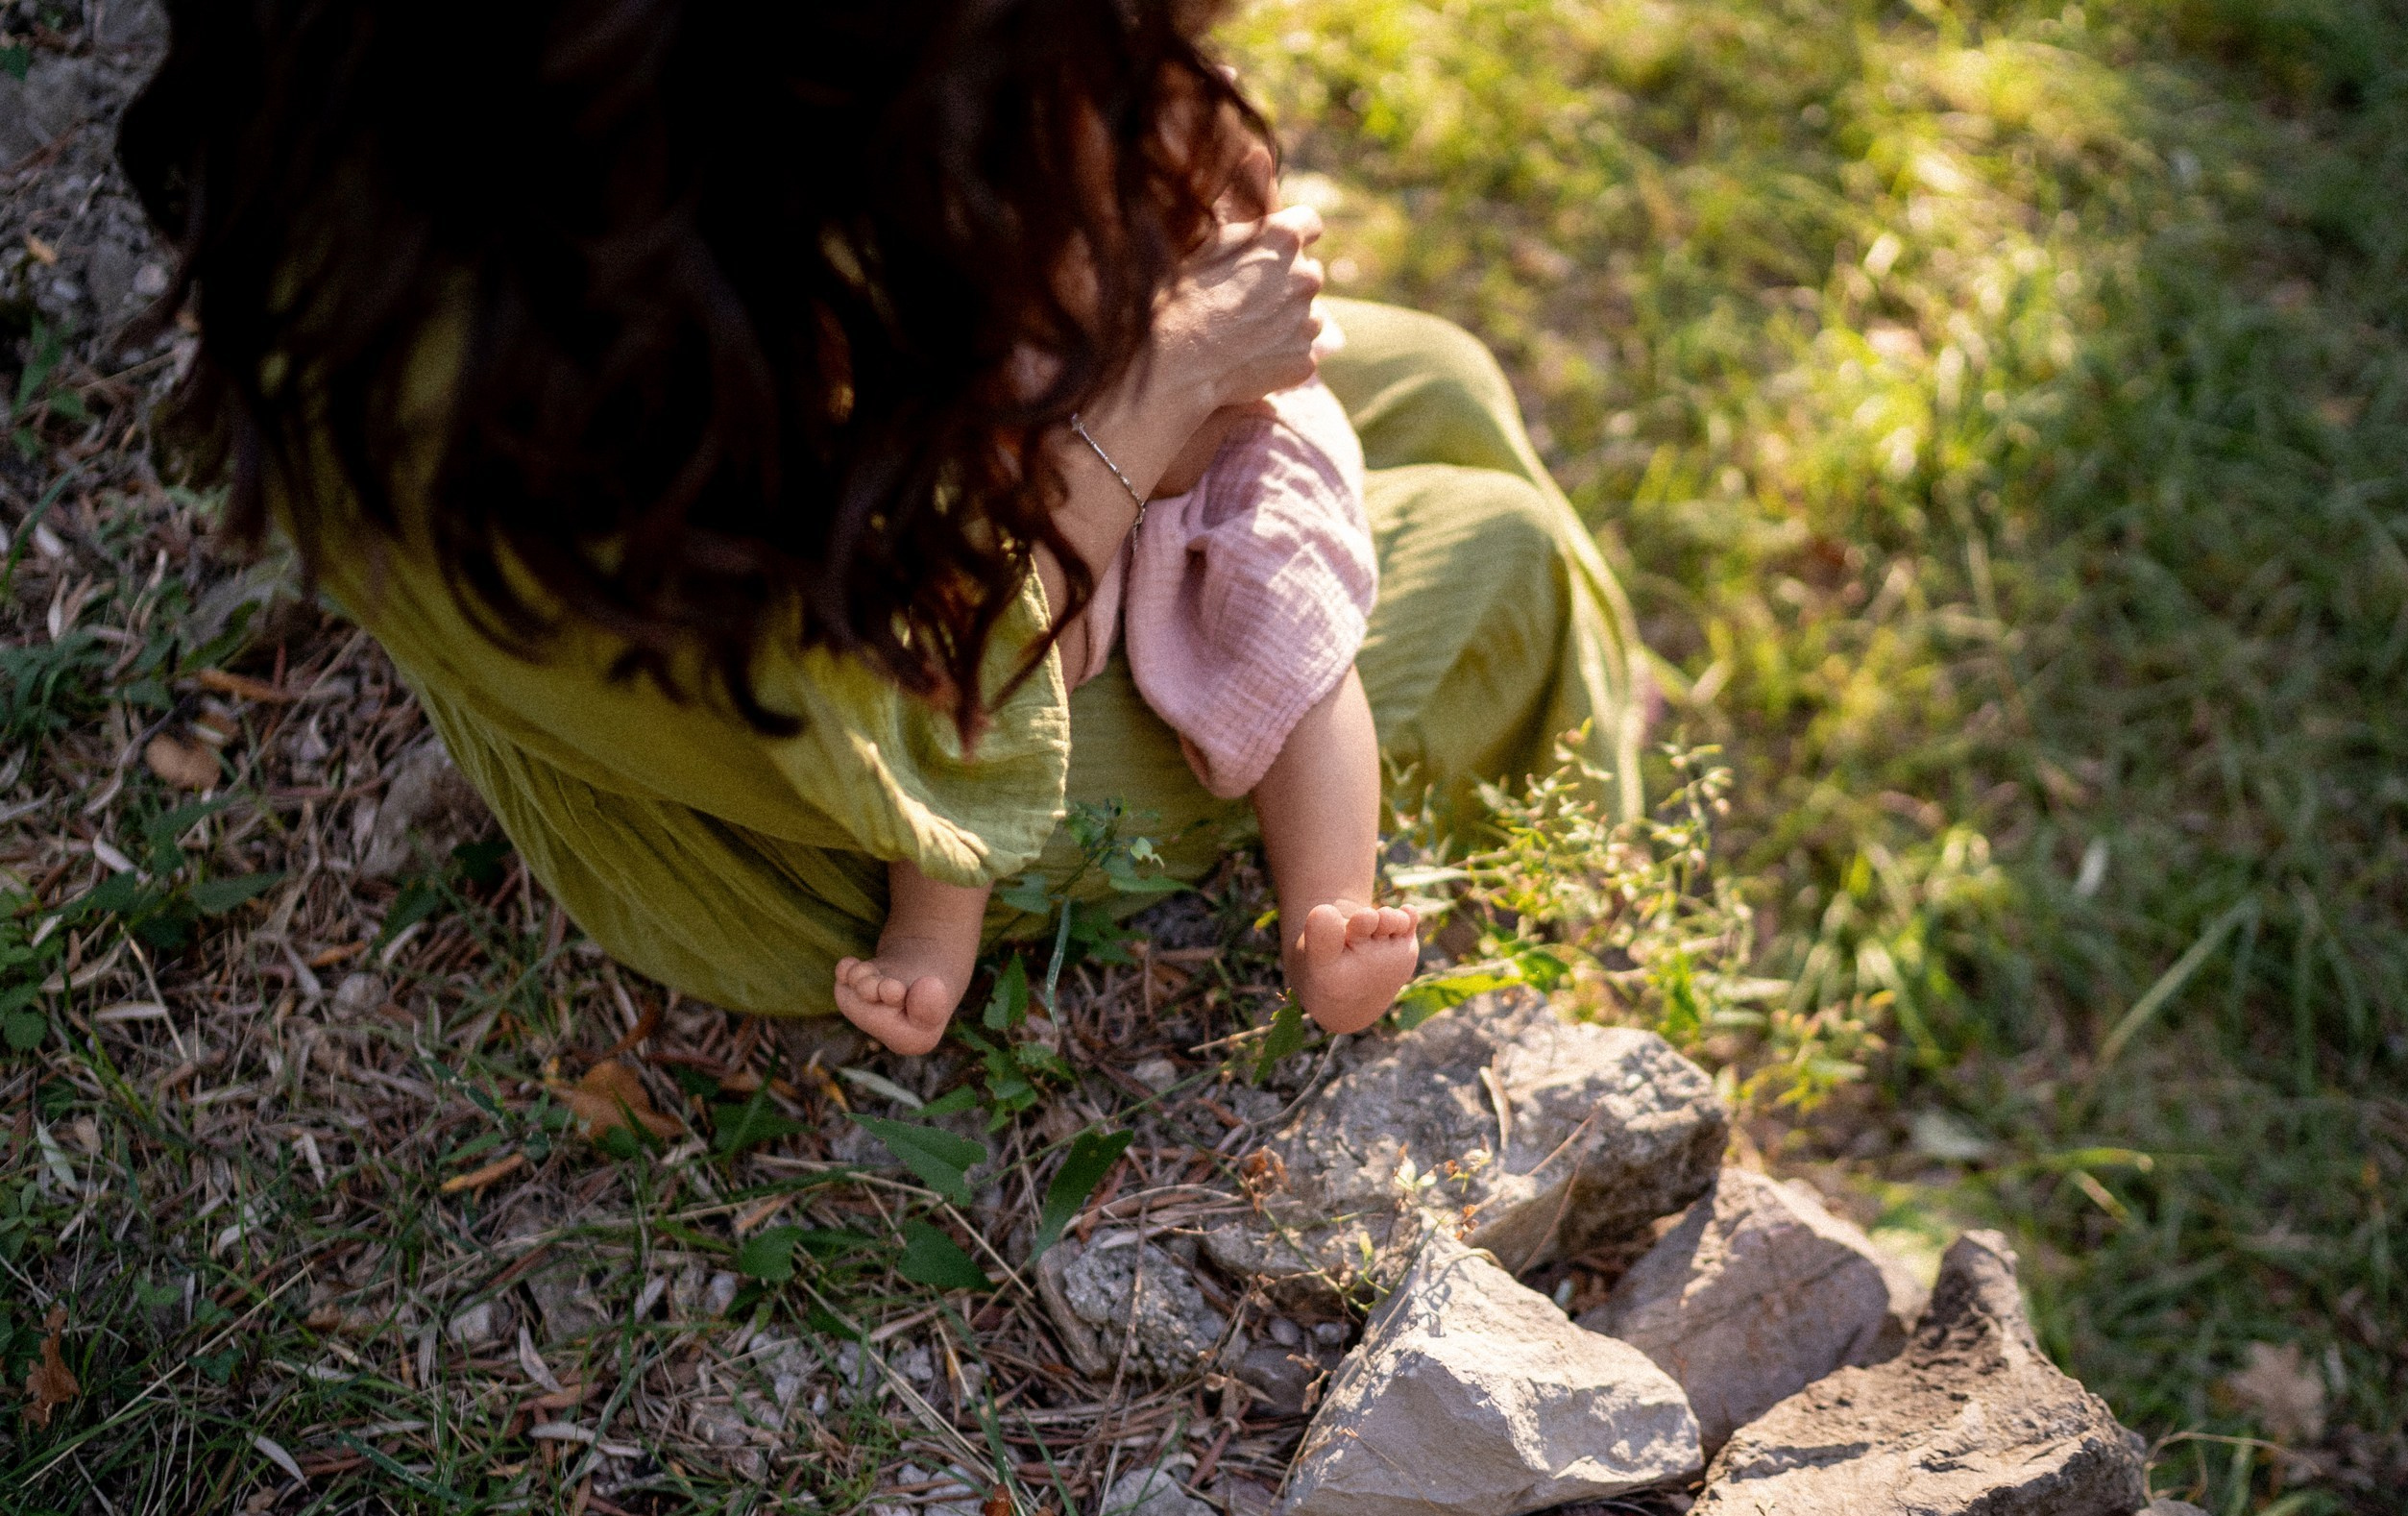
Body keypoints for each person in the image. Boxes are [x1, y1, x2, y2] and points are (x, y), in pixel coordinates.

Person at [118, 0, 1645, 1035]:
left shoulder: (622, 149)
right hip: (840, 784)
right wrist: (1161, 384)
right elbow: (922, 705)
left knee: (1438, 371)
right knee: (1499, 563)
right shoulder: (548, 389)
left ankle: (1516, 777)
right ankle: (1527, 907)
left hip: (929, 472)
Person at [835, 162, 1416, 1052]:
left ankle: (1327, 915)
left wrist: (1220, 262)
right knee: (986, 651)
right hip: (1038, 458)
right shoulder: (968, 171)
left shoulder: (1172, 116)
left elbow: (1255, 219)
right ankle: (929, 939)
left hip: (1225, 444)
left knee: (1294, 633)